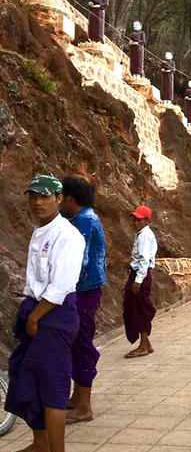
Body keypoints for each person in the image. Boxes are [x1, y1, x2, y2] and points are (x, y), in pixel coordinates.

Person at [3, 175, 85, 452]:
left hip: (54, 314)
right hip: (35, 309)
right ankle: (40, 444)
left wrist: (35, 318)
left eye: (45, 196)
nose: (38, 201)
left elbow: (60, 287)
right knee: (24, 374)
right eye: (33, 196)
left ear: (59, 198)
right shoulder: (41, 231)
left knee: (52, 385)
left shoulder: (68, 235)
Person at [60, 177, 107, 424]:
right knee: (77, 343)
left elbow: (81, 259)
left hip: (83, 290)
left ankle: (84, 406)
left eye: (61, 197)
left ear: (69, 198)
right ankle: (78, 399)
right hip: (85, 289)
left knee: (81, 344)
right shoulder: (84, 218)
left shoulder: (84, 221)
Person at [123, 205, 157, 358]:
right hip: (139, 273)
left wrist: (138, 280)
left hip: (140, 275)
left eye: (139, 220)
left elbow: (144, 260)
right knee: (136, 307)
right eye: (134, 219)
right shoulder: (142, 234)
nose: (135, 222)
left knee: (139, 309)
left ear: (147, 221)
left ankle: (143, 345)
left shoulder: (144, 236)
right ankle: (146, 343)